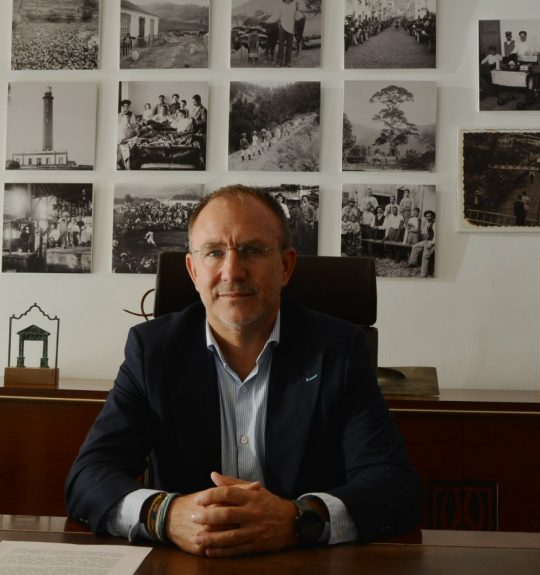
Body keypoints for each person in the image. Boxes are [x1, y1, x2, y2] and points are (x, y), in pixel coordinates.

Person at [66, 186, 420, 557]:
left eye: (252, 250)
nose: (232, 272)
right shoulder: (153, 351)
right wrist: (166, 515)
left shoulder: (339, 352)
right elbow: (88, 478)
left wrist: (297, 520)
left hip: (303, 565)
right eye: (214, 252)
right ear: (192, 270)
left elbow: (393, 486)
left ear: (286, 266)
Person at [408, 210, 435, 277]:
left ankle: (423, 274)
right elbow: (425, 232)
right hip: (427, 241)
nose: (428, 218)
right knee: (415, 246)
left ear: (433, 217)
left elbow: (437, 235)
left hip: (433, 242)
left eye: (430, 216)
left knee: (425, 256)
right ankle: (412, 263)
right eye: (427, 216)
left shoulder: (435, 224)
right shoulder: (428, 223)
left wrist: (431, 243)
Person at [118, 100, 140, 170]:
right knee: (122, 151)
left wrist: (133, 127)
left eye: (127, 106)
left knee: (130, 151)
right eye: (124, 106)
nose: (126, 107)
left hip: (129, 133)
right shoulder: (119, 115)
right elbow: (117, 125)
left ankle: (130, 167)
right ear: (122, 107)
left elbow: (135, 125)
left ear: (129, 107)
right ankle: (123, 166)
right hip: (121, 134)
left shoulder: (131, 114)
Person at [277, 0, 299, 67]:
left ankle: (288, 62)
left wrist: (297, 11)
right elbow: (277, 17)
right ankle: (279, 62)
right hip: (282, 29)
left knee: (289, 46)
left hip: (290, 28)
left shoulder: (294, 7)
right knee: (281, 46)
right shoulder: (281, 6)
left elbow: (296, 18)